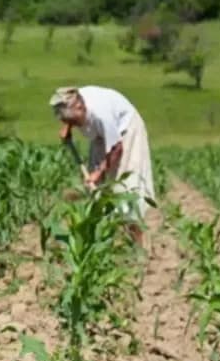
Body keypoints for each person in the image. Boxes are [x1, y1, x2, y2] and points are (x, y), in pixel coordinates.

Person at [49, 85, 155, 243]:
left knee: (125, 187)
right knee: (97, 190)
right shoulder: (74, 99)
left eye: (75, 122)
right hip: (102, 135)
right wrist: (68, 127)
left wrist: (98, 172)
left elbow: (116, 148)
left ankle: (136, 244)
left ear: (80, 108)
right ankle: (104, 239)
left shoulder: (101, 115)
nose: (76, 125)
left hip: (126, 132)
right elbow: (68, 111)